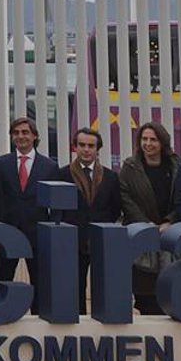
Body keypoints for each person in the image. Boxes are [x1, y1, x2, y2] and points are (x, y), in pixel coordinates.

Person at [117, 121, 180, 314]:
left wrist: (170, 220)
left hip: (169, 232)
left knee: (169, 280)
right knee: (144, 281)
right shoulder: (130, 166)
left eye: (153, 139)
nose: (148, 143)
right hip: (141, 232)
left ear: (162, 142)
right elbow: (124, 197)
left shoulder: (176, 165)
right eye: (144, 139)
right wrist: (145, 223)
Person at [0, 116, 63, 286]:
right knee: (3, 281)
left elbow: (56, 206)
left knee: (40, 284)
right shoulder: (0, 163)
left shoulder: (49, 166)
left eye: (25, 132)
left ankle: (37, 312)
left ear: (35, 136)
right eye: (16, 133)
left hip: (37, 234)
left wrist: (53, 232)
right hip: (7, 233)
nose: (20, 136)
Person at [65, 127, 121, 311]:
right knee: (74, 288)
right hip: (72, 241)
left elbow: (115, 209)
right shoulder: (62, 175)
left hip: (101, 239)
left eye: (91, 146)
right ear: (75, 147)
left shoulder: (111, 177)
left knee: (103, 287)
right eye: (82, 145)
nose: (86, 149)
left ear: (98, 149)